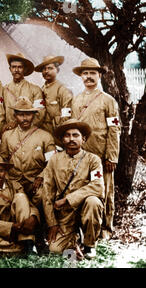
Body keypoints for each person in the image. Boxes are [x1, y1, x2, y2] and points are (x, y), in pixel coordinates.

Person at [71, 58, 120, 239]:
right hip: (82, 156)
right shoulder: (75, 101)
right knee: (82, 190)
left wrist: (112, 156)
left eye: (93, 73)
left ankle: (106, 228)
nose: (89, 77)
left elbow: (114, 128)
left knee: (105, 190)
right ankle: (84, 229)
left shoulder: (108, 101)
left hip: (102, 156)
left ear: (99, 75)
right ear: (81, 76)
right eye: (85, 73)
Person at [42, 119, 104, 259]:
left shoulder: (93, 160)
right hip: (65, 214)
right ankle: (74, 242)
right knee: (55, 249)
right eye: (67, 135)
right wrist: (52, 223)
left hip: (84, 208)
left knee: (93, 202)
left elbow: (97, 186)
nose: (71, 139)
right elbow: (47, 192)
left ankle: (89, 246)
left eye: (75, 135)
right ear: (62, 139)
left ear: (84, 139)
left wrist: (67, 200)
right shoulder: (54, 160)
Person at [0, 154, 40, 255]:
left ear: (5, 172)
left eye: (1, 171)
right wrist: (12, 227)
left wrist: (33, 217)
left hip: (22, 226)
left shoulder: (14, 185)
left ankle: (27, 241)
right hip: (3, 231)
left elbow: (29, 205)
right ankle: (23, 249)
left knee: (21, 197)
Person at [0, 97, 56, 207]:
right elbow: (2, 159)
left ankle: (35, 219)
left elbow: (52, 162)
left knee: (42, 195)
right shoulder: (7, 135)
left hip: (34, 181)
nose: (25, 118)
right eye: (21, 115)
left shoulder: (45, 136)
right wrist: (7, 179)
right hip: (14, 181)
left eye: (28, 114)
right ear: (15, 116)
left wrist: (41, 177)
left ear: (34, 115)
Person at [34, 55, 73, 144]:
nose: (46, 71)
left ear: (57, 70)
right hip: (42, 133)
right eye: (44, 69)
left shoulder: (63, 89)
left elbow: (66, 117)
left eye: (50, 68)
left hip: (57, 134)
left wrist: (61, 135)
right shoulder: (41, 89)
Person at [3, 53, 45, 131]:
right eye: (13, 67)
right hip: (9, 132)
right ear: (10, 69)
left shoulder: (35, 89)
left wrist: (22, 126)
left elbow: (40, 113)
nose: (16, 70)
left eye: (20, 67)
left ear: (25, 69)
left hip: (29, 132)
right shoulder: (4, 90)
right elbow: (1, 113)